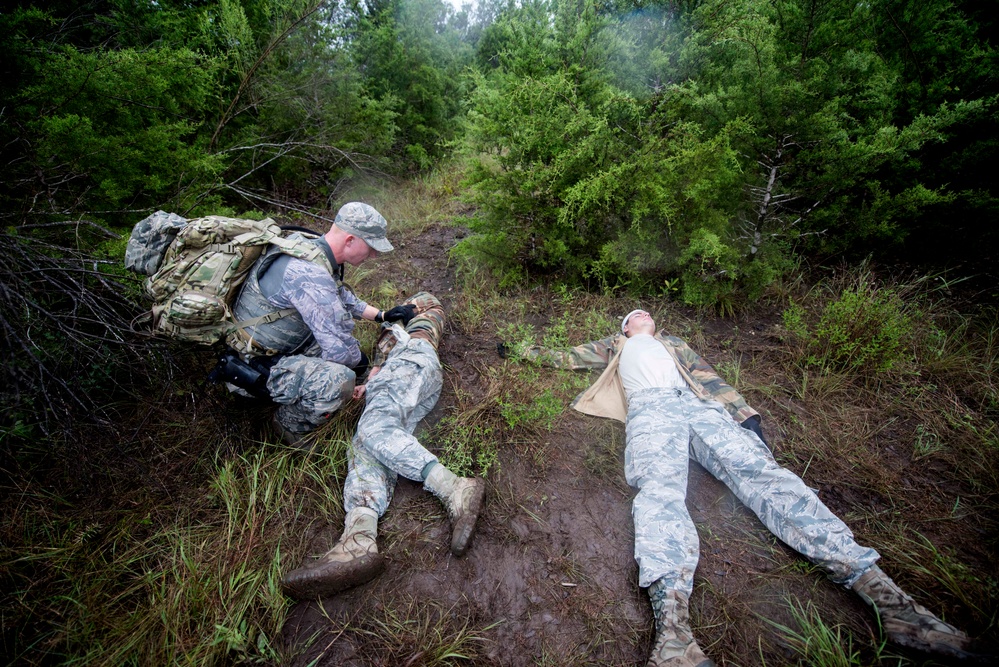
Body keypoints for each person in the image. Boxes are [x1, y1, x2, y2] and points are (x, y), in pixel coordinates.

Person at [504, 309, 985, 666]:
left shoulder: (674, 344)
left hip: (696, 407)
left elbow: (711, 381)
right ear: (625, 328)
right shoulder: (617, 346)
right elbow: (566, 357)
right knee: (659, 491)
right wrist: (523, 351)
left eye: (646, 312)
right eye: (634, 315)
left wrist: (745, 416)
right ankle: (674, 639)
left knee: (766, 477)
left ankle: (892, 604)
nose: (642, 315)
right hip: (649, 411)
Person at [281, 292, 487, 600]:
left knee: (373, 428)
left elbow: (425, 303)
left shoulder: (424, 318)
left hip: (412, 360)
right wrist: (371, 378)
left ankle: (455, 487)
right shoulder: (389, 338)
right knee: (366, 443)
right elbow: (381, 357)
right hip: (396, 374)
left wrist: (402, 311)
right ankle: (359, 536)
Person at [227, 202, 418, 446]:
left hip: (276, 346)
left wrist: (381, 315)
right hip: (252, 366)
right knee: (339, 381)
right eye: (371, 248)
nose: (373, 256)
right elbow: (339, 349)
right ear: (350, 240)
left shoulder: (309, 247)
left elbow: (340, 294)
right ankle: (288, 425)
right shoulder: (309, 274)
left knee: (358, 363)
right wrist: (370, 378)